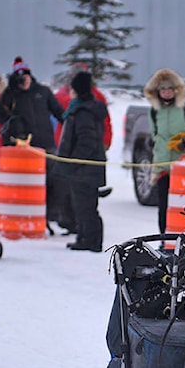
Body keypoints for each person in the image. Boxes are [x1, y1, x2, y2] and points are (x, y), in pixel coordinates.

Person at [0, 57, 66, 230]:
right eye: (19, 78)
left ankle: (53, 214)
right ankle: (32, 213)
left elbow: (59, 112)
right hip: (25, 148)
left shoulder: (43, 91)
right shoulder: (11, 95)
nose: (23, 81)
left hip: (47, 144)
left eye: (25, 77)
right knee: (31, 184)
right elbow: (1, 115)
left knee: (55, 181)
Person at [143, 68, 185, 234]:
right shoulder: (154, 111)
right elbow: (156, 136)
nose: (166, 92)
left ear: (176, 90)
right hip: (163, 169)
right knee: (164, 209)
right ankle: (165, 241)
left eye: (170, 89)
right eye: (163, 89)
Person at [54, 71, 108, 252]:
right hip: (86, 169)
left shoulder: (83, 111)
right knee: (83, 206)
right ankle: (85, 237)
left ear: (76, 90)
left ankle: (91, 241)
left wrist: (73, 161)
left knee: (86, 207)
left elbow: (87, 141)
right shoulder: (82, 109)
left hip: (85, 169)